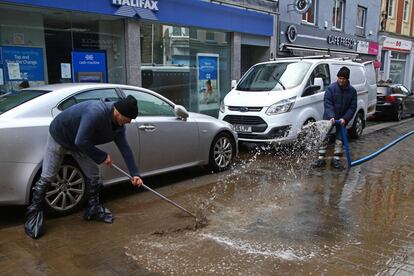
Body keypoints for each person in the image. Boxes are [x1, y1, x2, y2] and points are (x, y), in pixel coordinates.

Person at [24, 95, 143, 239]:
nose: (129, 122)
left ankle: (93, 209)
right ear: (118, 112)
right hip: (61, 136)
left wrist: (135, 174)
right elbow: (81, 140)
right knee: (48, 176)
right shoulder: (96, 112)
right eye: (128, 118)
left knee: (94, 175)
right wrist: (102, 156)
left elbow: (125, 149)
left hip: (81, 143)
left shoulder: (119, 127)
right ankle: (34, 212)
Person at [314, 66, 357, 170]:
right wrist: (331, 116)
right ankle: (320, 159)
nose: (341, 80)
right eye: (340, 78)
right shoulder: (331, 89)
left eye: (343, 78)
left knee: (340, 138)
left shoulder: (352, 91)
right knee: (324, 136)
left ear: (347, 79)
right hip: (330, 118)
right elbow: (328, 104)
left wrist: (345, 119)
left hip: (342, 119)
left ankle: (336, 160)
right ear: (337, 77)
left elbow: (352, 107)